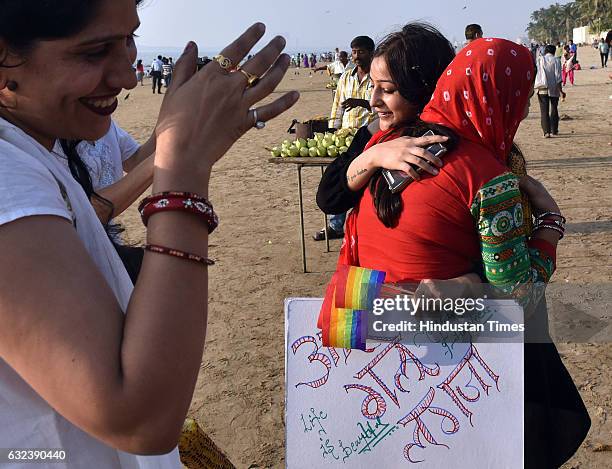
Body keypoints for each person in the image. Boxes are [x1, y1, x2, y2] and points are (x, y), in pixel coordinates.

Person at [0, 1, 298, 466]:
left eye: (129, 40)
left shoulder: (39, 147)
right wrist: (183, 168)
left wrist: (179, 145)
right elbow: (139, 419)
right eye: (95, 51)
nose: (129, 76)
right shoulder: (6, 176)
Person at [318, 34, 589, 468]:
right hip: (447, 360)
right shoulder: (485, 172)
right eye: (519, 98)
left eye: (386, 89)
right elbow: (516, 297)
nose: (522, 110)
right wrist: (551, 227)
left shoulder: (386, 148)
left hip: (362, 325)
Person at [313, 35, 376, 241]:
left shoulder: (378, 76)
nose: (356, 56)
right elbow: (338, 105)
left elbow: (384, 103)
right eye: (354, 52)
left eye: (361, 52)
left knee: (367, 180)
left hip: (369, 136)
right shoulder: (346, 77)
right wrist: (333, 129)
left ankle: (365, 224)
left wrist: (363, 103)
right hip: (346, 136)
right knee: (343, 178)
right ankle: (336, 225)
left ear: (371, 52)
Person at [536, 44, 563, 137]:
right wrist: (561, 91)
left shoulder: (540, 59)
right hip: (554, 88)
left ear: (545, 51)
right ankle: (554, 130)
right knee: (554, 108)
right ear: (554, 51)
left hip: (542, 87)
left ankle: (546, 132)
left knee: (544, 111)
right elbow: (558, 77)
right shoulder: (557, 60)